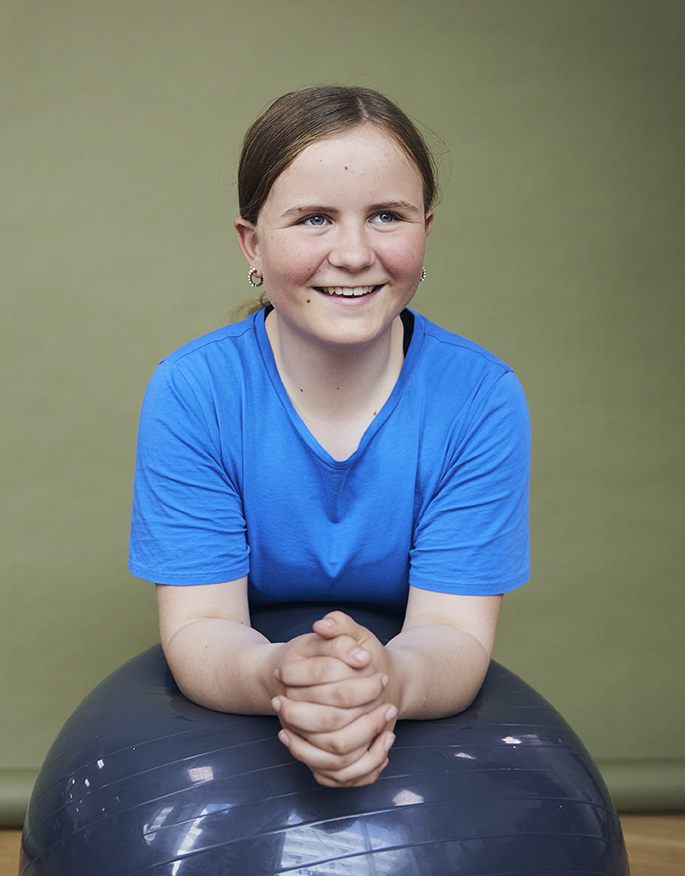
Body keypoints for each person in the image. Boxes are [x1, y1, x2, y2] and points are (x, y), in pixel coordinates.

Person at [128, 86, 531, 789]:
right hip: (246, 690)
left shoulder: (479, 398)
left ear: (425, 232)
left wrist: (385, 682)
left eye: (386, 216)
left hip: (403, 681)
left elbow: (454, 635)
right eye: (314, 219)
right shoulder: (193, 391)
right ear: (252, 244)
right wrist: (279, 674)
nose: (352, 252)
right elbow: (199, 627)